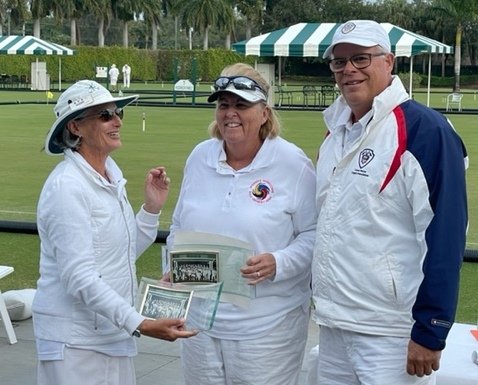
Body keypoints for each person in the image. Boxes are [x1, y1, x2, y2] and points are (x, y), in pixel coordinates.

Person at [311, 20, 468, 384]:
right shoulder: (336, 132)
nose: (349, 69)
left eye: (361, 58)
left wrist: (431, 327)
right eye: (339, 62)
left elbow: (445, 235)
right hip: (334, 323)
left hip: (391, 332)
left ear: (389, 62)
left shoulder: (425, 130)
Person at [32, 79, 197, 385]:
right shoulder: (67, 187)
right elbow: (79, 277)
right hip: (75, 343)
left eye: (118, 111)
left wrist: (150, 209)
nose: (117, 120)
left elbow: (119, 252)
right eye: (105, 115)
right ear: (75, 128)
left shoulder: (109, 175)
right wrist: (141, 323)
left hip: (109, 334)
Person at [166, 63, 317, 385]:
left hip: (267, 327)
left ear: (264, 112)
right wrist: (175, 265)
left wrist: (279, 262)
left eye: (241, 105)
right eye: (223, 105)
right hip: (200, 323)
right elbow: (179, 223)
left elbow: (315, 233)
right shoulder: (200, 157)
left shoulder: (292, 163)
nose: (230, 113)